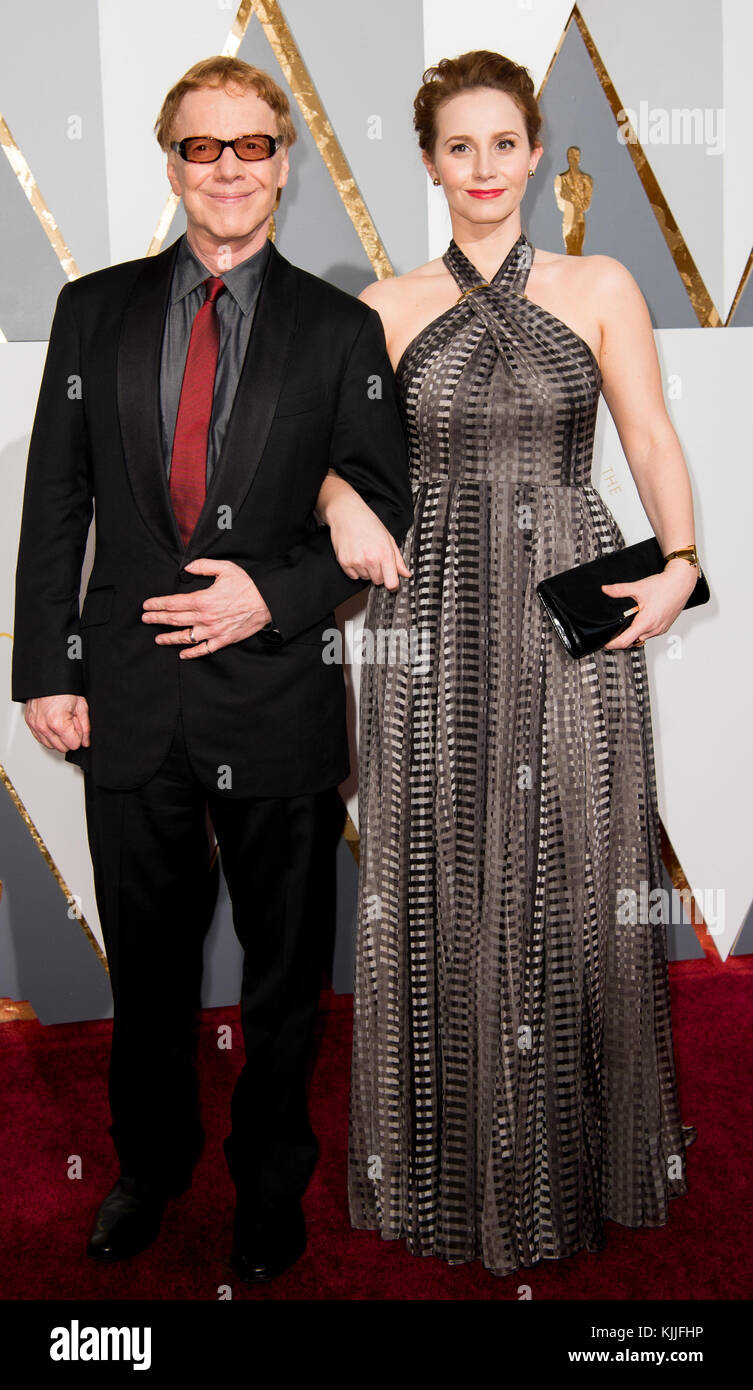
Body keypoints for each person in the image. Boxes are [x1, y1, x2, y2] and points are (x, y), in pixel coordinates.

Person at [11, 55, 412, 1283]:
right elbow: (55, 503)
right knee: (154, 965)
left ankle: (272, 1183)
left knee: (290, 974)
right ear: (173, 160)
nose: (228, 168)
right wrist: (44, 665)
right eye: (203, 147)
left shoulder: (341, 329)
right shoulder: (95, 309)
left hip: (279, 696)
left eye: (252, 146)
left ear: (285, 163)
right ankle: (150, 1167)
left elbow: (387, 510)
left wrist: (270, 593)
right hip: (127, 701)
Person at [315, 50, 699, 1277]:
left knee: (576, 869)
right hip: (429, 609)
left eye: (503, 143)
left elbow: (645, 430)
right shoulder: (381, 302)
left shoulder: (601, 280)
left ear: (536, 154)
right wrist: (336, 503)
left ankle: (575, 1163)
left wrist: (683, 562)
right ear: (429, 164)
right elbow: (336, 462)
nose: (483, 169)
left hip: (565, 595)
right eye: (458, 148)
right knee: (435, 866)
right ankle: (444, 1165)